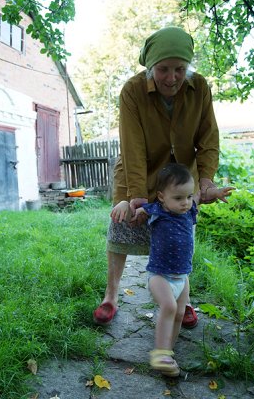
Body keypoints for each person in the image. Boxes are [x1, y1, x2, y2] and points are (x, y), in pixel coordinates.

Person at [93, 26, 220, 328]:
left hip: (180, 179)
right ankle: (111, 296)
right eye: (163, 69)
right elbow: (133, 146)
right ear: (151, 67)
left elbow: (209, 138)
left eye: (180, 69)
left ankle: (182, 300)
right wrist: (136, 196)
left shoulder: (199, 88)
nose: (172, 77)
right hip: (138, 173)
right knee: (121, 230)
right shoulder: (132, 91)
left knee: (179, 234)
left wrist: (206, 181)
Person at [110, 163, 234, 376]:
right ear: (161, 197)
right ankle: (160, 354)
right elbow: (133, 213)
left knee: (178, 313)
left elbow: (200, 197)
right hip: (160, 275)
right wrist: (123, 203)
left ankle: (168, 350)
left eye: (187, 197)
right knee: (168, 306)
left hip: (182, 277)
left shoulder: (189, 208)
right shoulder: (156, 211)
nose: (185, 203)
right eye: (178, 198)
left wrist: (213, 191)